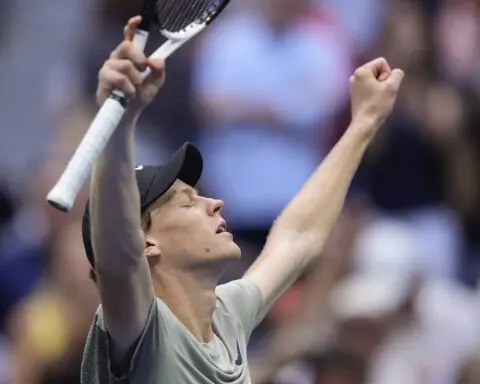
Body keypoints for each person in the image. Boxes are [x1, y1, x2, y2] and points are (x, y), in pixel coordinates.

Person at [80, 16, 404, 384]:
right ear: (147, 243)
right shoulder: (137, 327)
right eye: (188, 202)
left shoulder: (226, 315)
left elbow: (297, 237)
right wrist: (120, 118)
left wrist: (363, 122)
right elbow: (116, 256)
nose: (214, 203)